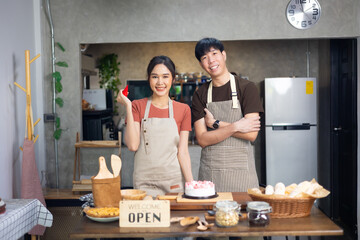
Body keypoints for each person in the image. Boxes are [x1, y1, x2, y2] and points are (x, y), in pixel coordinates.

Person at [191, 38, 264, 192]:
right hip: (211, 173)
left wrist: (216, 123)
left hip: (241, 173)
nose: (211, 60)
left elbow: (251, 134)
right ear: (201, 64)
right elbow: (203, 140)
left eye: (214, 53)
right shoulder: (200, 94)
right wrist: (237, 126)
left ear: (224, 55)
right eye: (204, 58)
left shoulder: (246, 88)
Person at [117, 55, 194, 197]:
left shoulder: (183, 110)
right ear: (148, 79)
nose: (160, 82)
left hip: (174, 182)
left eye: (165, 76)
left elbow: (182, 152)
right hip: (145, 183)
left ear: (173, 78)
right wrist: (128, 105)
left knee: (175, 219)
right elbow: (133, 145)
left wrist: (192, 187)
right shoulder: (137, 106)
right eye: (155, 77)